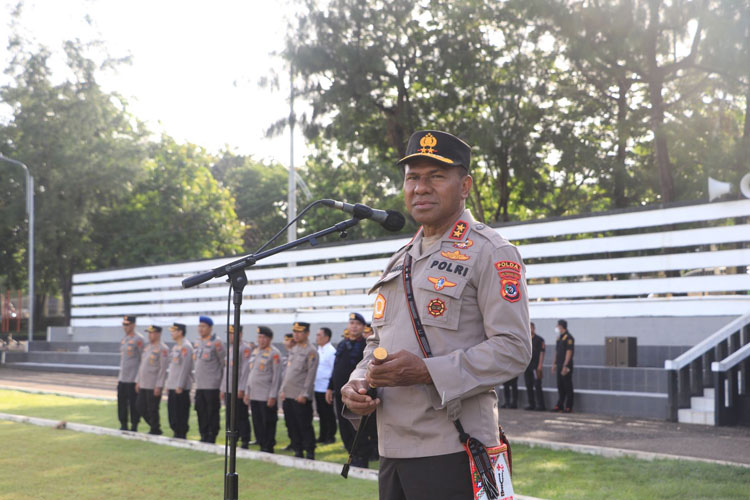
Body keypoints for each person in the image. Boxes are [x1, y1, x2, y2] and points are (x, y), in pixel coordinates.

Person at [341, 130, 531, 499]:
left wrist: (427, 371)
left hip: (454, 448)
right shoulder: (401, 258)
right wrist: (358, 382)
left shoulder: (491, 252)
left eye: (436, 176)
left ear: (465, 186)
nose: (421, 188)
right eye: (413, 177)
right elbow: (377, 342)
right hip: (393, 447)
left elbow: (513, 349)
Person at [325, 313, 367, 466]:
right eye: (351, 323)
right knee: (343, 425)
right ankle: (351, 455)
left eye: (357, 323)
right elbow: (336, 368)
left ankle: (361, 457)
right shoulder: (343, 343)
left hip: (356, 392)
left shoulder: (366, 346)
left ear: (362, 327)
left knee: (357, 425)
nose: (353, 326)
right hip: (339, 392)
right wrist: (330, 388)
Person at [279, 321, 319, 459]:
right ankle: (297, 449)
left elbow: (310, 375)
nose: (295, 335)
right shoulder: (293, 349)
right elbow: (288, 372)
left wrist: (305, 393)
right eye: (294, 332)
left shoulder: (311, 351)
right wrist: (282, 390)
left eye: (299, 332)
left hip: (300, 395)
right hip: (288, 394)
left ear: (307, 333)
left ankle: (309, 450)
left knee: (304, 425)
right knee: (291, 424)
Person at [244, 326, 282, 453]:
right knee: (257, 421)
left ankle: (268, 445)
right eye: (259, 337)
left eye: (264, 337)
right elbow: (250, 373)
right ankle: (261, 442)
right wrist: (247, 392)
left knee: (268, 422)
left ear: (270, 339)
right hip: (254, 394)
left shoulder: (274, 353)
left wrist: (273, 395)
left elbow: (276, 377)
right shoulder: (255, 351)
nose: (261, 340)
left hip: (266, 395)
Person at [193, 315, 225, 443]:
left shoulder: (217, 342)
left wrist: (221, 383)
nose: (201, 329)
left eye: (203, 326)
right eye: (199, 326)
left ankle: (212, 435)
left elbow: (223, 363)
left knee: (212, 411)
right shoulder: (198, 342)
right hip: (200, 385)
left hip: (212, 385)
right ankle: (203, 433)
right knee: (200, 410)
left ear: (210, 328)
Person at [220, 325, 253, 449]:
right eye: (229, 333)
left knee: (241, 415)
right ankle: (233, 438)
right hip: (229, 387)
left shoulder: (245, 349)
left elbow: (245, 371)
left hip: (238, 388)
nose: (230, 336)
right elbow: (226, 370)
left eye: (232, 333)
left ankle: (245, 439)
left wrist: (242, 388)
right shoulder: (230, 348)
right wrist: (223, 388)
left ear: (240, 334)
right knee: (230, 414)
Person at [135, 325, 169, 435]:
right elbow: (142, 366)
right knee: (140, 406)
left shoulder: (163, 349)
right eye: (149, 333)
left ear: (158, 334)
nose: (150, 335)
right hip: (144, 383)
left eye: (152, 333)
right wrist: (138, 381)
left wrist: (159, 385)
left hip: (153, 384)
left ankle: (155, 429)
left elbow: (163, 369)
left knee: (152, 408)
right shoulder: (147, 347)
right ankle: (154, 426)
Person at [165, 322, 193, 439]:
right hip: (173, 385)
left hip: (180, 387)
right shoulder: (176, 347)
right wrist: (168, 383)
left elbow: (185, 367)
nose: (171, 333)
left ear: (180, 332)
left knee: (180, 412)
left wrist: (180, 385)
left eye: (174, 331)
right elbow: (173, 368)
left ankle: (181, 433)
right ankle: (176, 432)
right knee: (172, 412)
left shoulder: (186, 347)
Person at [117, 315, 144, 432]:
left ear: (133, 325)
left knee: (133, 404)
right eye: (124, 324)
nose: (125, 327)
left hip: (133, 378)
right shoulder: (124, 339)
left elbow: (143, 359)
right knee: (121, 403)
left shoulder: (139, 339)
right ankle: (123, 424)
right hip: (122, 377)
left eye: (127, 325)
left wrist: (139, 379)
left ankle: (134, 425)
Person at [314, 327, 337, 444]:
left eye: (319, 335)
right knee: (321, 412)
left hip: (326, 387)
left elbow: (334, 369)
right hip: (317, 386)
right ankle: (322, 435)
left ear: (326, 337)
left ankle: (330, 436)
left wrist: (330, 387)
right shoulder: (318, 350)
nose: (316, 337)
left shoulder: (331, 351)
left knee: (328, 413)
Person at [553, 319, 575, 413]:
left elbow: (569, 352)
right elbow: (557, 352)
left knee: (567, 386)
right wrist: (554, 363)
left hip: (566, 366)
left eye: (558, 326)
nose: (557, 328)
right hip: (559, 364)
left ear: (561, 326)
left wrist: (565, 365)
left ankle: (568, 406)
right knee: (560, 385)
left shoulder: (569, 338)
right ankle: (560, 405)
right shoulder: (559, 338)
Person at [524, 322, 546, 411]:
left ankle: (541, 405)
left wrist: (540, 365)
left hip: (536, 366)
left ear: (534, 328)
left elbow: (542, 352)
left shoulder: (539, 339)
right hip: (527, 366)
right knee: (528, 385)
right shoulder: (526, 340)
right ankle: (531, 404)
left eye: (531, 328)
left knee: (537, 385)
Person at [280, 332, 296, 452]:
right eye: (286, 340)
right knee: (289, 421)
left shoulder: (299, 353)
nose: (287, 343)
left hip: (296, 393)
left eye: (289, 340)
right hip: (286, 392)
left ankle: (301, 446)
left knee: (299, 421)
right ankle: (293, 442)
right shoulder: (288, 355)